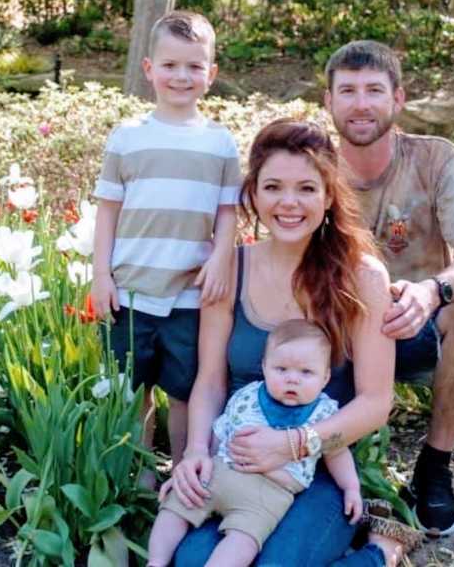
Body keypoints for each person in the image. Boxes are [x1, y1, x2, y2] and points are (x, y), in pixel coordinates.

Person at [171, 119, 409, 566]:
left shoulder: (361, 277)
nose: (288, 203)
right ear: (253, 193)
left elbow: (377, 402)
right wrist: (196, 452)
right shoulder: (232, 269)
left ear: (329, 195)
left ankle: (380, 552)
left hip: (319, 467)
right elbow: (209, 383)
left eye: (305, 188)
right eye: (274, 187)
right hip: (235, 467)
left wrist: (293, 443)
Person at [323, 40, 454, 536]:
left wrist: (431, 292)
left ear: (398, 100)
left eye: (374, 91)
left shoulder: (435, 159)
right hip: (335, 337)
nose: (361, 104)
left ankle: (433, 467)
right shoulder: (313, 164)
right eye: (349, 91)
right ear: (328, 102)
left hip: (416, 326)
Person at [91, 11, 240, 471]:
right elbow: (108, 211)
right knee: (132, 391)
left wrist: (220, 257)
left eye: (194, 66)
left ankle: (182, 468)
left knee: (183, 391)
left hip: (189, 296)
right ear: (149, 69)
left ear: (210, 75)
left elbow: (228, 211)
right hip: (130, 292)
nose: (182, 76)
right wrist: (100, 276)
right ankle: (136, 475)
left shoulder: (220, 143)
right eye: (170, 65)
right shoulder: (128, 139)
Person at [148, 319, 364, 567]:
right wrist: (200, 461)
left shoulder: (323, 413)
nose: (292, 379)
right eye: (281, 369)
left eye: (306, 372)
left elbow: (336, 452)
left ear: (325, 377)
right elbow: (221, 430)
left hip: (268, 493)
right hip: (220, 473)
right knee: (176, 506)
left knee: (244, 541)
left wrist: (351, 487)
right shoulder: (248, 396)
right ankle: (156, 561)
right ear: (264, 367)